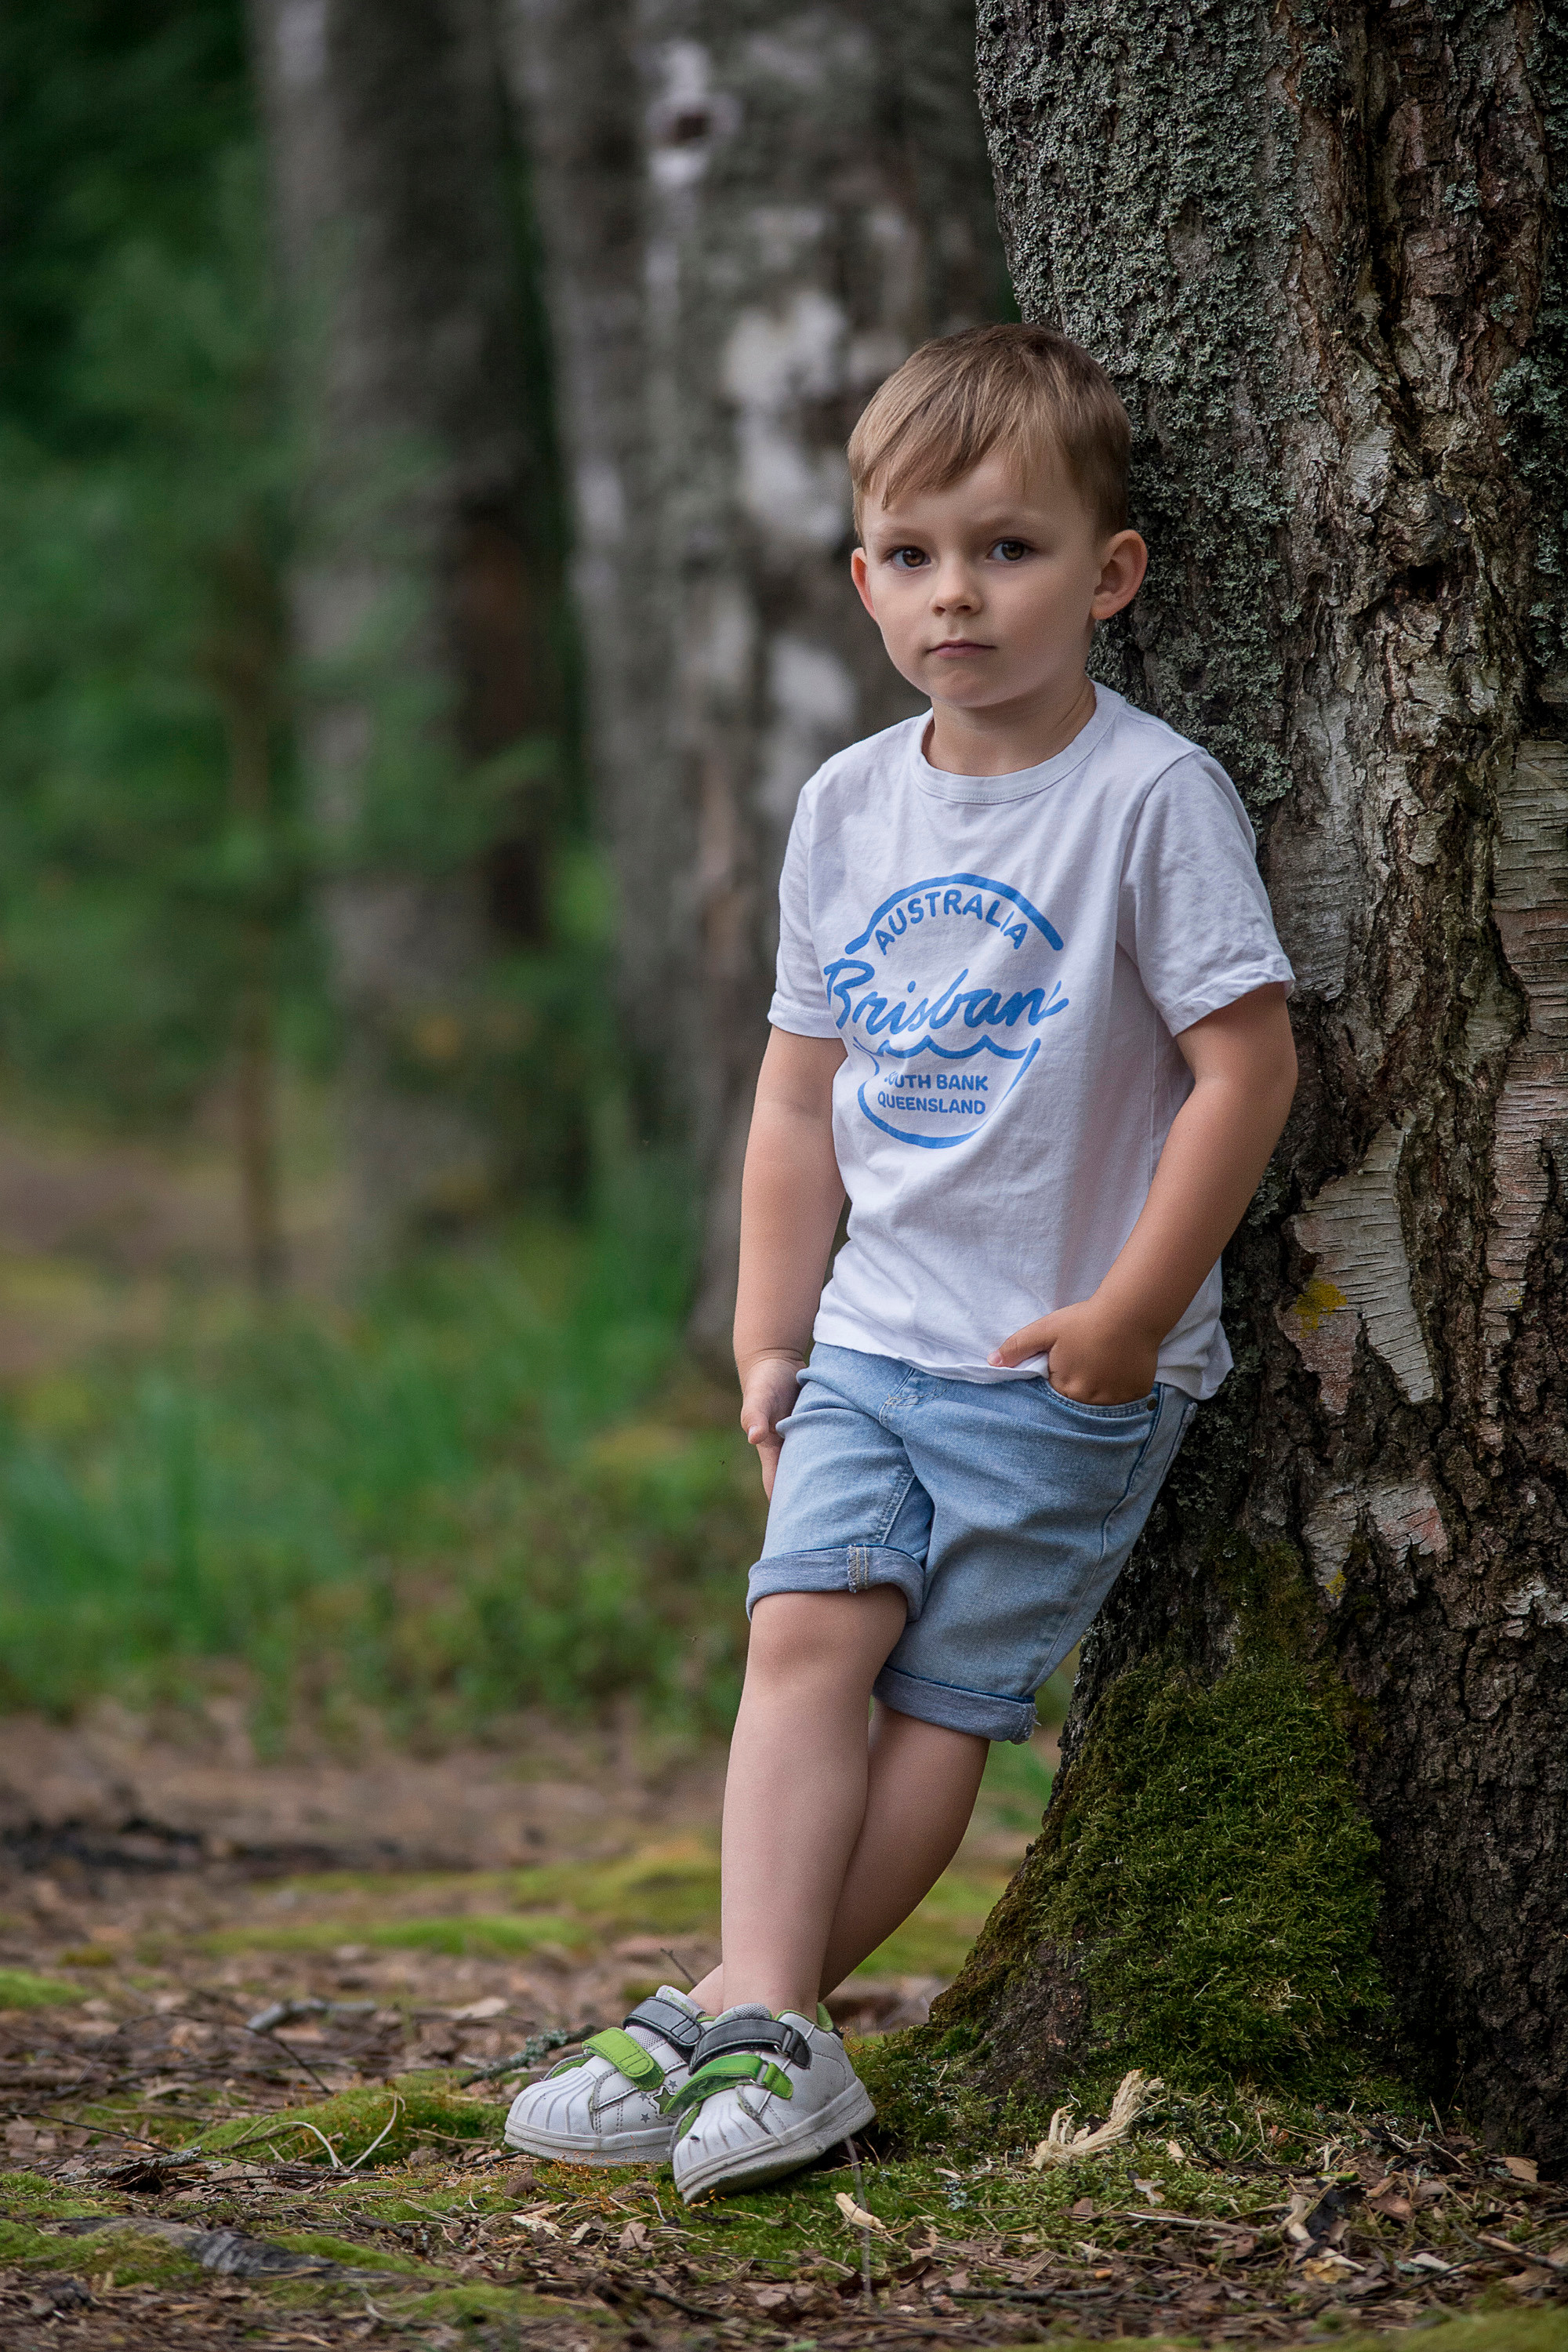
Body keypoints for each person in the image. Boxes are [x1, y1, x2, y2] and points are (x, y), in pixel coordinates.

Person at [504, 322, 1298, 2199]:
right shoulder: (849, 807)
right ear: (864, 583)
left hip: (1052, 1359)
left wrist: (1127, 1308)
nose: (962, 594)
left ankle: (732, 2020)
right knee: (802, 1637)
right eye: (919, 556)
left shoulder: (1146, 798)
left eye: (1010, 549)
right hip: (869, 1335)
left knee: (941, 1697)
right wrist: (767, 1328)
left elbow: (1245, 1063)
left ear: (1108, 576)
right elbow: (796, 1101)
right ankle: (770, 2021)